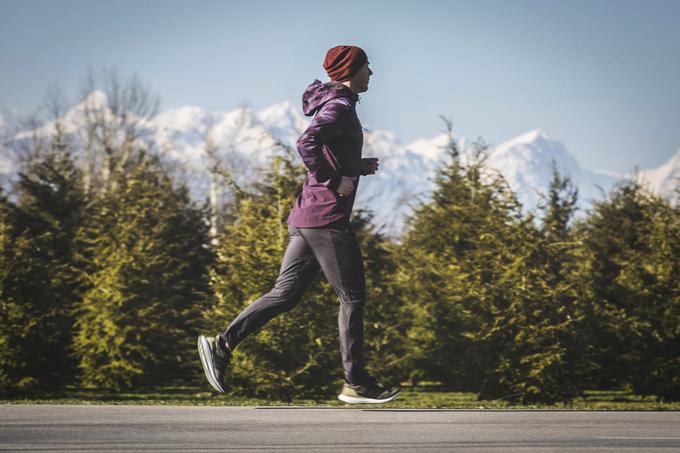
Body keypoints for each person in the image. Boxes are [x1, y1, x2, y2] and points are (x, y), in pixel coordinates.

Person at [198, 45, 400, 404]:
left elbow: (325, 151)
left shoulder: (334, 104)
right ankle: (356, 383)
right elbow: (307, 142)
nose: (372, 73)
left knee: (284, 294)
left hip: (306, 217)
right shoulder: (338, 107)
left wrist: (354, 166)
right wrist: (334, 180)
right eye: (368, 66)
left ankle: (222, 343)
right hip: (326, 219)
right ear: (350, 70)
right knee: (352, 299)